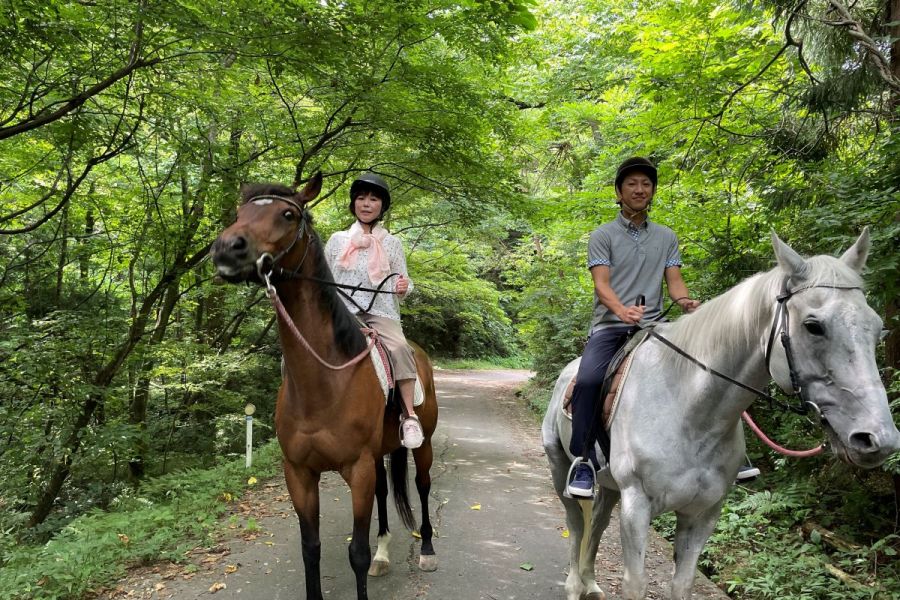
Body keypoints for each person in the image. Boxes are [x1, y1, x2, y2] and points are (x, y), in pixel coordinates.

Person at [566, 156, 701, 498]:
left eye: (646, 184)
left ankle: (713, 452)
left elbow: (675, 282)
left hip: (654, 327)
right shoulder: (602, 235)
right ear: (619, 191)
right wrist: (621, 311)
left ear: (652, 191)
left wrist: (685, 301)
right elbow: (601, 285)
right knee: (589, 380)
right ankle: (582, 460)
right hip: (610, 326)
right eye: (632, 184)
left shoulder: (666, 236)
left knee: (702, 369)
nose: (640, 189)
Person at [324, 172, 425, 449]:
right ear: (353, 203)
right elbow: (325, 281)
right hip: (343, 312)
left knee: (400, 348)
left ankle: (409, 415)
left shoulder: (392, 243)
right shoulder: (337, 240)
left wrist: (405, 286)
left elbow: (402, 280)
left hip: (381, 312)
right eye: (361, 198)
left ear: (382, 206)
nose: (366, 204)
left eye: (373, 199)